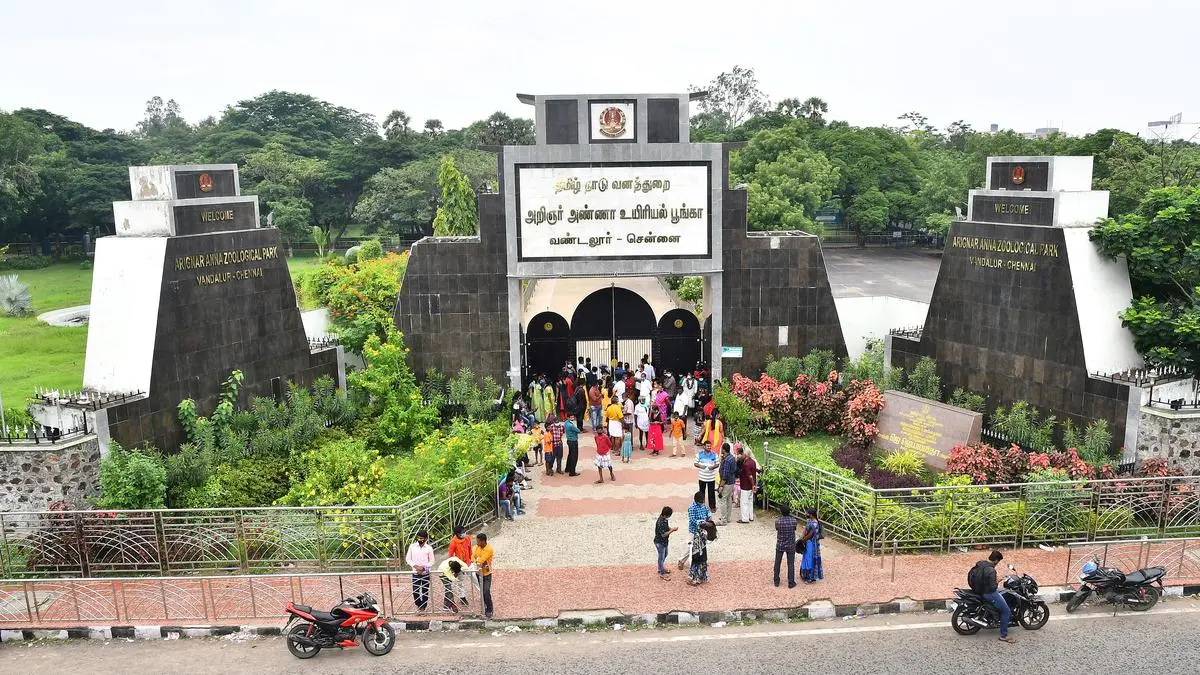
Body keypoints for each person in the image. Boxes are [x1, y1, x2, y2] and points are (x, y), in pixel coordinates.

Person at [969, 550, 1015, 644]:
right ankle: (1003, 635)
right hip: (988, 593)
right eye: (999, 561)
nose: (998, 563)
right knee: (1006, 611)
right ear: (996, 560)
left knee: (1001, 593)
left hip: (980, 590)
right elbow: (993, 588)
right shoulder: (991, 570)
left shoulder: (982, 564)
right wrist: (998, 581)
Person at [406, 530, 435, 612]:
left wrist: (423, 567)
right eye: (418, 538)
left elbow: (432, 561)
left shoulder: (429, 548)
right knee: (415, 591)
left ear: (426, 539)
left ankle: (423, 607)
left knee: (425, 591)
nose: (420, 540)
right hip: (415, 572)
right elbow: (408, 559)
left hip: (425, 572)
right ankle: (418, 604)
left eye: (422, 538)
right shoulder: (412, 547)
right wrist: (416, 566)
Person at [773, 504, 799, 588]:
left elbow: (777, 529)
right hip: (791, 544)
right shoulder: (794, 521)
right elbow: (794, 529)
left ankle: (776, 580)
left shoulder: (778, 521)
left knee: (777, 562)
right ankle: (791, 582)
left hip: (780, 544)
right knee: (790, 564)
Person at [448, 525, 473, 606]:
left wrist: (471, 559)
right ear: (457, 534)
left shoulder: (468, 538)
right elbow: (451, 556)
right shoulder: (453, 543)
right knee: (460, 582)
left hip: (468, 563)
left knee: (475, 578)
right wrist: (455, 566)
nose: (464, 533)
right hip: (459, 565)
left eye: (465, 531)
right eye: (462, 533)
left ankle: (483, 594)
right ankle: (462, 597)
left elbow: (470, 549)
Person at [472, 533, 495, 618]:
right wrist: (476, 560)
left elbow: (481, 560)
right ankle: (485, 605)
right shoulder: (477, 547)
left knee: (486, 591)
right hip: (479, 573)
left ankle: (489, 609)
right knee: (482, 591)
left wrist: (477, 560)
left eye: (478, 541)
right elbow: (472, 557)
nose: (477, 543)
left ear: (483, 541)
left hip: (486, 574)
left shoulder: (489, 549)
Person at [799, 508, 824, 585]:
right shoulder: (810, 521)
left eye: (808, 513)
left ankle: (810, 577)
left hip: (811, 544)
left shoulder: (815, 524)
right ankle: (805, 575)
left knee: (810, 559)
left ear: (811, 514)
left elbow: (810, 535)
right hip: (808, 543)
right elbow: (806, 530)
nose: (807, 514)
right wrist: (802, 538)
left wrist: (802, 540)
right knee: (806, 558)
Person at [716, 443, 737, 525]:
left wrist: (721, 486)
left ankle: (723, 520)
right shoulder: (731, 458)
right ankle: (728, 517)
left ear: (723, 450)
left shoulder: (727, 460)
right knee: (728, 499)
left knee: (722, 499)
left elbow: (725, 474)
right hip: (731, 482)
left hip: (726, 483)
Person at [688, 519, 714, 586]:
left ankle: (694, 580)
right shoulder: (705, 532)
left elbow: (694, 543)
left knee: (695, 564)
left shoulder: (696, 533)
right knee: (702, 564)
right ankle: (701, 578)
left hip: (696, 551)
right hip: (703, 550)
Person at [654, 506, 677, 579]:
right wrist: (672, 530)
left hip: (664, 542)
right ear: (665, 515)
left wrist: (671, 528)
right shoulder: (660, 522)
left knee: (665, 554)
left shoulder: (664, 519)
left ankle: (661, 568)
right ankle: (661, 572)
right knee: (661, 557)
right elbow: (664, 534)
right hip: (660, 542)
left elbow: (666, 527)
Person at [737, 446, 758, 523]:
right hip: (751, 486)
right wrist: (753, 485)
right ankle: (750, 516)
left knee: (744, 502)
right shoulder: (753, 462)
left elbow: (750, 476)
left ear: (745, 455)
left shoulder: (746, 464)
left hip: (745, 486)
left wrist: (753, 485)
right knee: (750, 501)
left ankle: (745, 518)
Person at [695, 444, 718, 510]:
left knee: (711, 493)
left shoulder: (714, 454)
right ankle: (701, 506)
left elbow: (717, 464)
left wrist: (713, 467)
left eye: (710, 446)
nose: (709, 447)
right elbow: (695, 463)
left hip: (711, 478)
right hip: (702, 477)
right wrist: (700, 466)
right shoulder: (699, 454)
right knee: (701, 492)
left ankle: (712, 507)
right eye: (708, 446)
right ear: (704, 447)